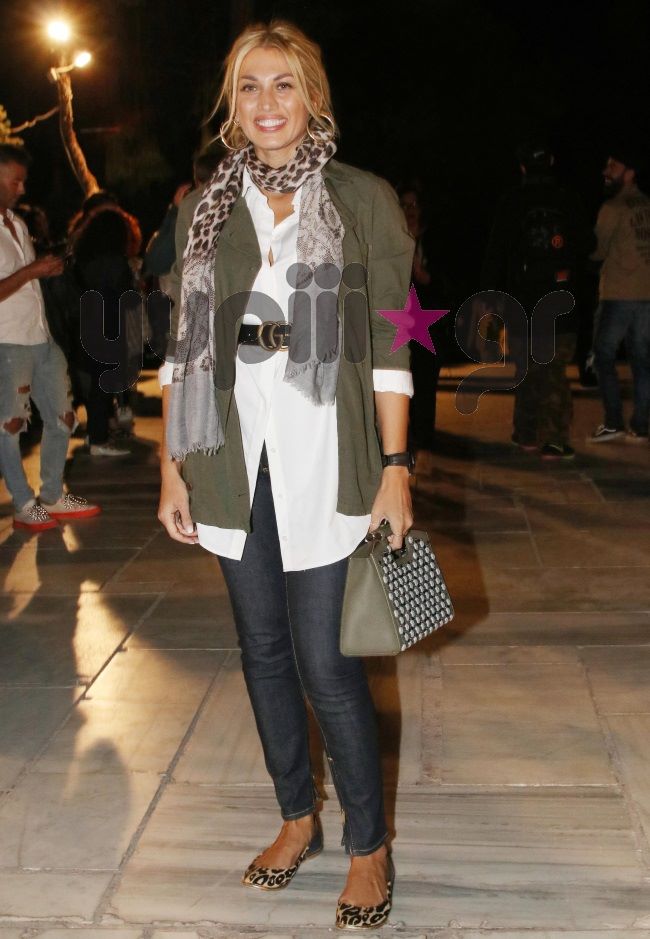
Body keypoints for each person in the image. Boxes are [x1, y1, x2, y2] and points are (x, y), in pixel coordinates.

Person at [157, 21, 414, 930]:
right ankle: (297, 816)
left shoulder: (361, 198)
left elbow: (390, 343)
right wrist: (171, 467)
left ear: (313, 96)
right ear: (232, 103)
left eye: (284, 85)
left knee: (328, 661)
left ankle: (369, 844)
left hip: (327, 452)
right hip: (229, 455)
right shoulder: (204, 207)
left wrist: (396, 467)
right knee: (262, 650)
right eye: (250, 86)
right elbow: (184, 347)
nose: (266, 104)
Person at [0, 143, 100, 530]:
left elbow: (25, 280)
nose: (22, 189)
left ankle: (53, 495)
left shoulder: (17, 222)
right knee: (10, 424)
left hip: (41, 335)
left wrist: (46, 269)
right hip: (8, 340)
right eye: (16, 181)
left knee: (63, 417)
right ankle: (23, 503)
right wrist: (33, 271)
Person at [481, 140, 595, 460]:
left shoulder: (511, 202)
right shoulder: (568, 199)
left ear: (522, 167)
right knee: (554, 372)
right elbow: (588, 244)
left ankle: (526, 433)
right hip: (561, 302)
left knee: (528, 368)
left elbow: (495, 254)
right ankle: (555, 440)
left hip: (523, 302)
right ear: (552, 161)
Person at [588, 146, 650, 443]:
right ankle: (641, 425)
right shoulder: (648, 205)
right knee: (642, 359)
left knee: (602, 355)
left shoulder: (612, 208)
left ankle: (613, 422)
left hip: (618, 293)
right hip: (647, 293)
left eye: (613, 166)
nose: (606, 171)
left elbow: (597, 250)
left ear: (630, 172)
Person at [398, 181, 451, 454]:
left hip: (428, 323)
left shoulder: (435, 241)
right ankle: (403, 435)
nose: (410, 210)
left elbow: (446, 282)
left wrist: (424, 276)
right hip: (397, 323)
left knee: (426, 381)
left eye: (415, 205)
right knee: (401, 382)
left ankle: (425, 437)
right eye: (405, 205)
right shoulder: (391, 239)